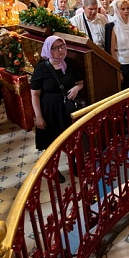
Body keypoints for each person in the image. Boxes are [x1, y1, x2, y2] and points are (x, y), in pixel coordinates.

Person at [31, 37, 84, 167]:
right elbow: (35, 94)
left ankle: (73, 164)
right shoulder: (41, 68)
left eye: (62, 46)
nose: (60, 50)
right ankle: (53, 168)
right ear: (48, 50)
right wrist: (38, 117)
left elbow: (80, 82)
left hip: (67, 107)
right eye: (55, 48)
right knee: (51, 141)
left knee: (70, 138)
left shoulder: (70, 63)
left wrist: (77, 88)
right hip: (50, 109)